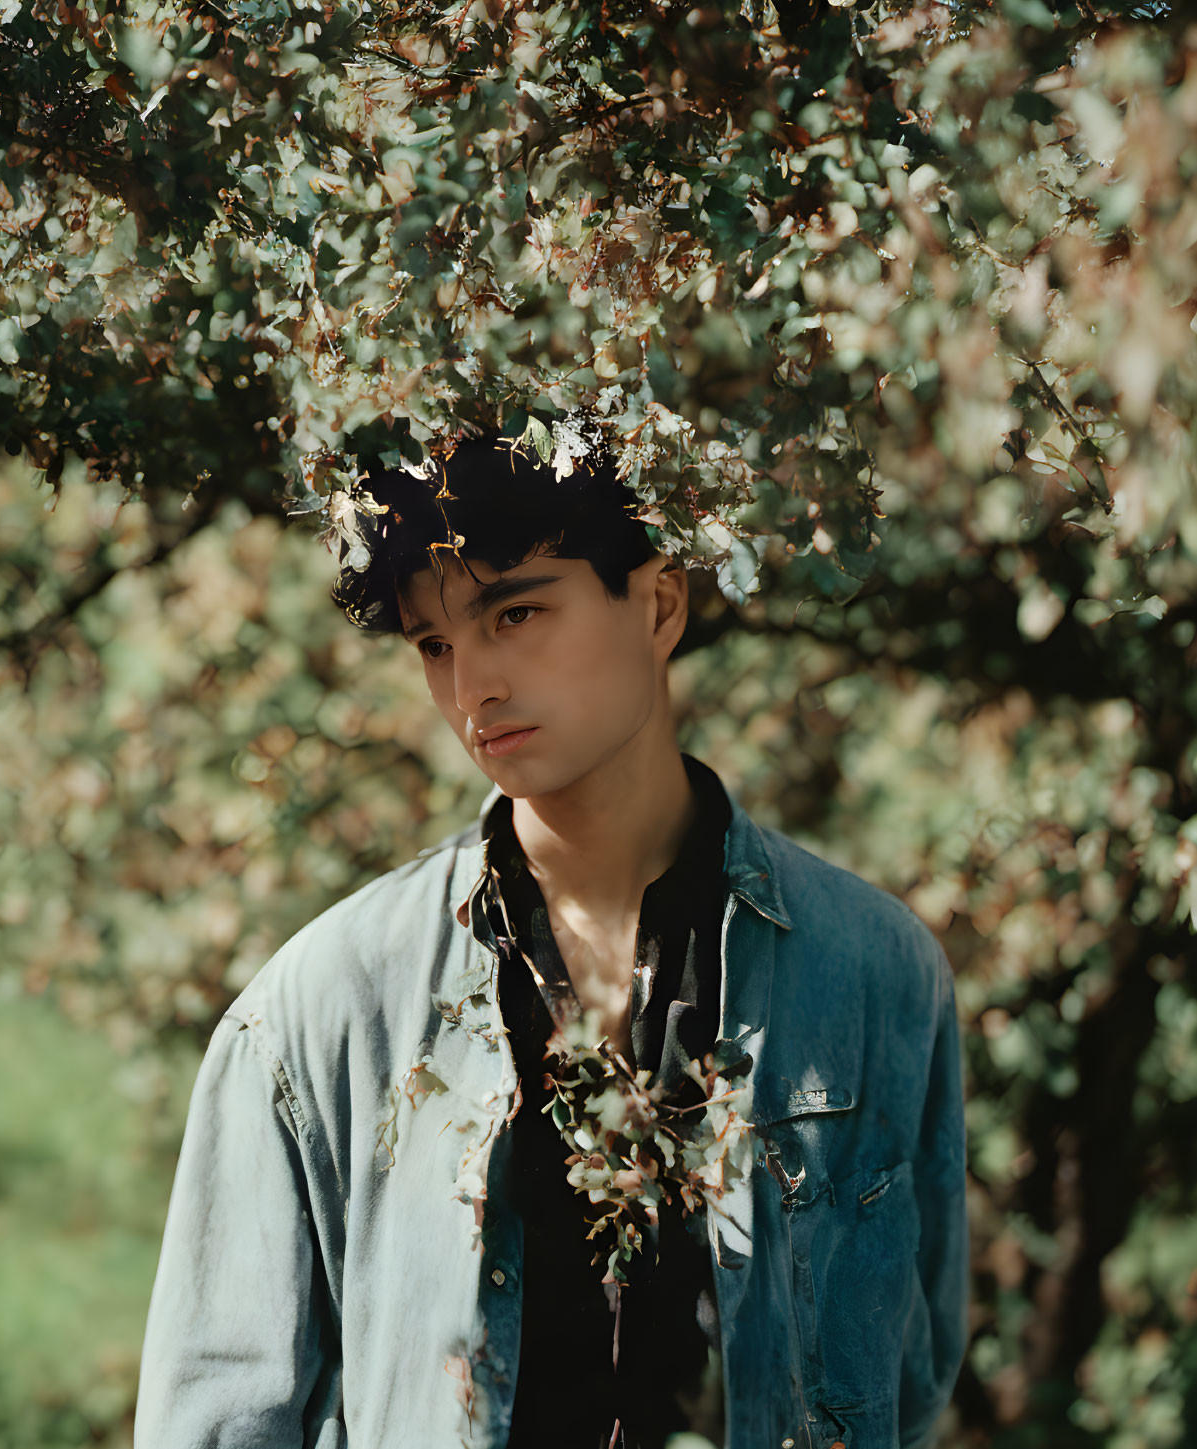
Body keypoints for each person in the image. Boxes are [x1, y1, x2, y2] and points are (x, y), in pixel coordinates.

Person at [134, 431, 969, 1449]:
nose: (470, 688)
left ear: (659, 607)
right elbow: (218, 1417)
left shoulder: (876, 971)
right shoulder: (321, 1003)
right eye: (433, 645)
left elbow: (909, 1378)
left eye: (514, 614)